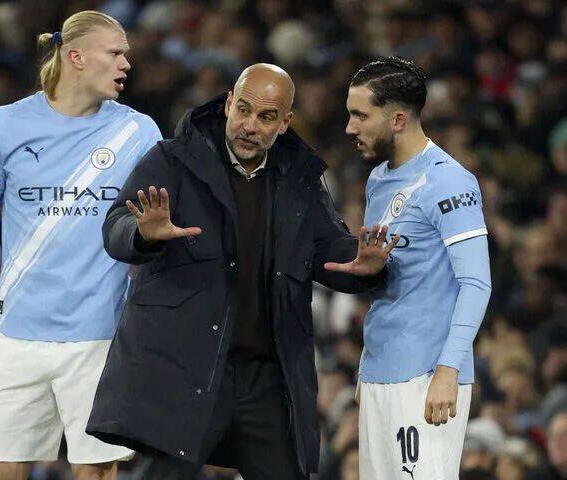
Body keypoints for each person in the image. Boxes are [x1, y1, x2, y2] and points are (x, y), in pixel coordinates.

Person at [86, 63, 398, 479]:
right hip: (185, 369)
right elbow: (116, 229)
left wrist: (365, 267)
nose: (250, 126)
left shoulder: (299, 177)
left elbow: (330, 251)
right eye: (244, 110)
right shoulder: (173, 160)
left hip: (265, 379)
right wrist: (143, 234)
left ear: (284, 123)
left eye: (266, 117)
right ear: (229, 103)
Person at [0, 10, 163, 480]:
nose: (126, 63)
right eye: (114, 53)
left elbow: (161, 231)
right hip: (18, 333)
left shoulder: (139, 132)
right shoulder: (6, 125)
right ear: (76, 57)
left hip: (101, 337)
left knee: (95, 472)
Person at [326, 56, 492, 479]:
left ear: (398, 119)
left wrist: (448, 370)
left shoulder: (448, 181)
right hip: (380, 372)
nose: (350, 128)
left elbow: (476, 283)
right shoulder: (378, 179)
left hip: (427, 375)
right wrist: (368, 367)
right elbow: (393, 284)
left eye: (360, 115)